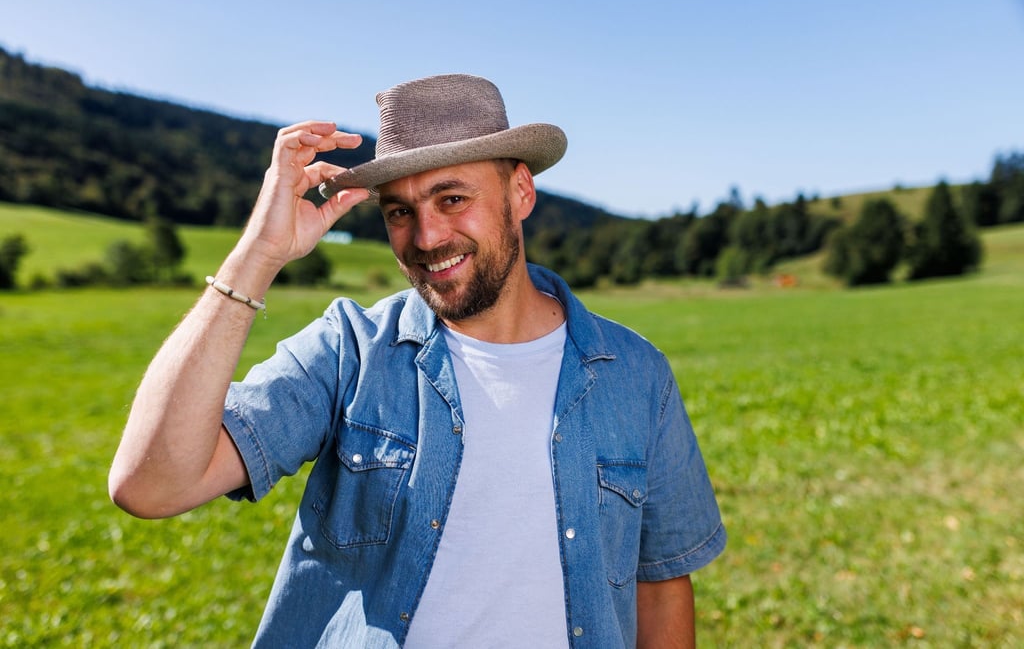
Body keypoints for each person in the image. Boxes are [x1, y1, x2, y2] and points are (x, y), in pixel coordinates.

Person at [109, 74, 726, 648]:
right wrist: (259, 255)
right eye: (399, 211)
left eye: (452, 198)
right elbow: (151, 485)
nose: (426, 238)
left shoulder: (636, 374)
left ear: (520, 191)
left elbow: (661, 584)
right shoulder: (349, 350)